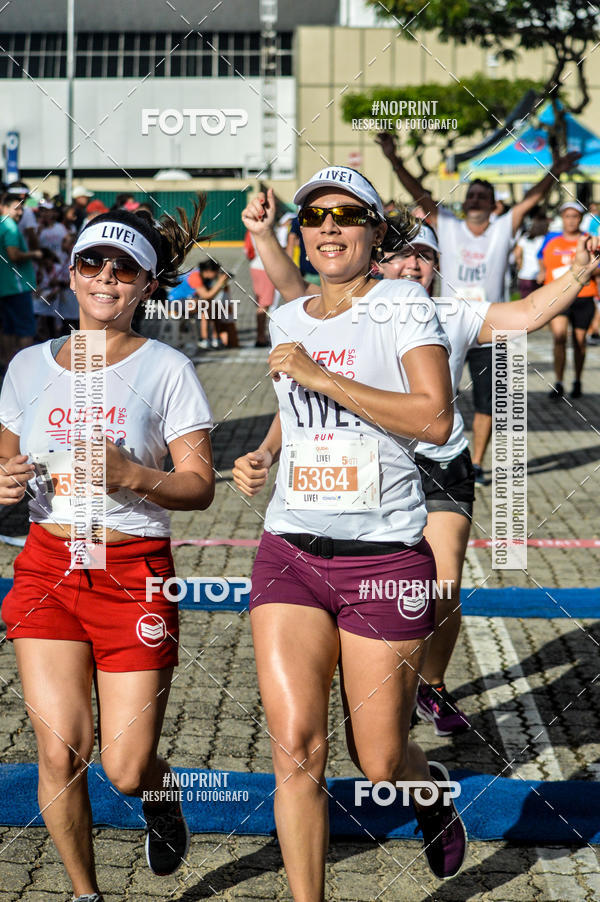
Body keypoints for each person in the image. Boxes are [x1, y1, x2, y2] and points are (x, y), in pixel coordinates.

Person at [239, 192, 600, 745]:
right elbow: (294, 294)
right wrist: (265, 238)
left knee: (444, 582)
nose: (413, 265)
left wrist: (579, 270)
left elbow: (528, 313)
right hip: (360, 481)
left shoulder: (446, 312)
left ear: (437, 267)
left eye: (424, 257)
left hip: (439, 463)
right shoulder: (343, 309)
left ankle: (428, 682)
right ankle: (390, 687)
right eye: (404, 256)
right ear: (382, 259)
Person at [236, 166, 468, 895]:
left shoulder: (400, 303)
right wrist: (266, 452)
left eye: (347, 215)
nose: (329, 226)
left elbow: (435, 419)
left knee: (379, 761)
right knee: (297, 751)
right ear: (301, 234)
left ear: (374, 232)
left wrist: (322, 376)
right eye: (315, 217)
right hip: (289, 553)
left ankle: (427, 795)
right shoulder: (293, 316)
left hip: (384, 560)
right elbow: (292, 401)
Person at [0, 201, 215, 902]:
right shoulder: (28, 366)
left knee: (123, 766)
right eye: (93, 261)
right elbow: (5, 474)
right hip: (46, 567)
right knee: (59, 753)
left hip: (131, 571)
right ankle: (87, 894)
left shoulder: (167, 368)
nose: (105, 277)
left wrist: (133, 475)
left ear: (148, 286)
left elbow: (199, 486)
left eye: (125, 268)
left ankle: (159, 792)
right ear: (71, 269)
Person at [375, 129, 580, 483]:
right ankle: (421, 457)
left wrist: (555, 171)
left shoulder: (503, 227)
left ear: (493, 205)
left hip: (489, 327)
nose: (475, 201)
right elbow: (416, 194)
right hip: (446, 326)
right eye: (471, 195)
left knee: (488, 402)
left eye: (482, 197)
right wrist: (394, 158)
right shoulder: (448, 225)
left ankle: (478, 462)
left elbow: (532, 198)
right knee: (438, 395)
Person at [538, 201, 599, 399]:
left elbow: (597, 266)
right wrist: (541, 271)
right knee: (559, 337)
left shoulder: (589, 240)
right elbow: (542, 258)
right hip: (559, 297)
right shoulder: (552, 240)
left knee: (579, 341)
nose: (571, 220)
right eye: (567, 216)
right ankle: (558, 382)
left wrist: (586, 270)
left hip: (583, 296)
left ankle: (578, 380)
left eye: (575, 216)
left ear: (580, 219)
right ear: (562, 218)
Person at [0, 192, 43, 364]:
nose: (19, 213)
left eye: (21, 210)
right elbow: (14, 254)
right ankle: (26, 369)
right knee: (26, 330)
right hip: (16, 287)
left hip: (5, 288)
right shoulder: (9, 226)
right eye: (16, 209)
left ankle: (7, 365)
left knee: (8, 329)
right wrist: (35, 253)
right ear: (4, 208)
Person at [514, 209, 548, 298]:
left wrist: (520, 265)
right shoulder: (545, 239)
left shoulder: (525, 237)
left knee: (524, 305)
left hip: (524, 275)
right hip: (539, 276)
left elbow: (517, 253)